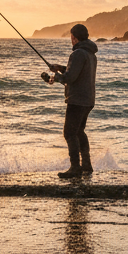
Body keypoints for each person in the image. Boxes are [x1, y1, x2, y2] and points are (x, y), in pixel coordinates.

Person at [48, 23, 98, 179]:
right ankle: (87, 165)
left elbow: (70, 78)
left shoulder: (77, 54)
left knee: (69, 133)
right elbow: (76, 72)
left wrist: (56, 77)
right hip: (88, 99)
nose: (71, 40)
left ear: (75, 38)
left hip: (77, 100)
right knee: (79, 132)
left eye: (71, 37)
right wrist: (60, 68)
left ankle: (75, 168)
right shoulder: (90, 54)